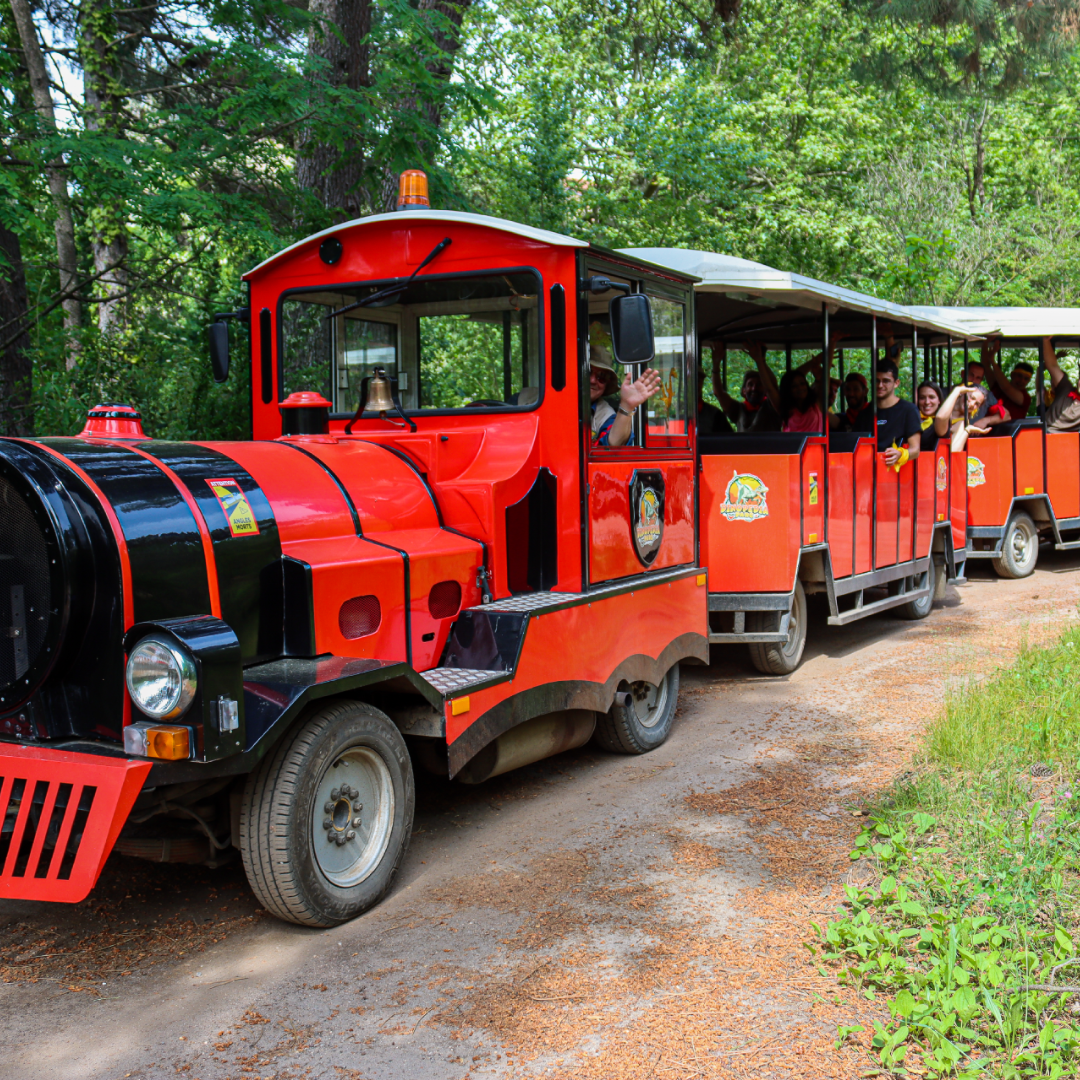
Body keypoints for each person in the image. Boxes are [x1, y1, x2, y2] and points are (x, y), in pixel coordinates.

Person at [589, 346, 661, 447]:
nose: (592, 380)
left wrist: (627, 406)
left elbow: (612, 445)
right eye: (587, 372)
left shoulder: (604, 413)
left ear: (607, 383)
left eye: (601, 376)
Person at [854, 359, 921, 465]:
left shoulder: (909, 410)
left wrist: (900, 454)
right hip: (867, 471)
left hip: (896, 474)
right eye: (876, 381)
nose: (880, 385)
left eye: (886, 381)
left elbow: (915, 450)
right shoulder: (864, 414)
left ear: (896, 383)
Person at [712, 352, 782, 432]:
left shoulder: (772, 407)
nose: (754, 388)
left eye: (759, 384)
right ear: (743, 390)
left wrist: (761, 361)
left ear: (765, 390)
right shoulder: (738, 409)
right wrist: (716, 364)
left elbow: (773, 387)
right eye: (750, 384)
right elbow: (719, 393)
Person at [982, 339, 1033, 421]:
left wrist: (992, 360)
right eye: (1019, 376)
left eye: (1026, 379)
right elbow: (985, 366)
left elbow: (1006, 388)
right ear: (1012, 375)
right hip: (990, 430)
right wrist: (986, 342)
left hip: (1011, 432)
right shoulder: (997, 387)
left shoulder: (1025, 398)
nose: (1022, 381)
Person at [1037, 337, 1080, 433]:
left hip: (1065, 443)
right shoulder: (1066, 388)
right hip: (1043, 435)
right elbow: (1052, 365)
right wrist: (1045, 340)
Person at [696, 365, 734, 435]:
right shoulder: (675, 413)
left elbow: (728, 441)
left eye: (698, 381)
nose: (694, 384)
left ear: (702, 383)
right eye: (690, 380)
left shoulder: (715, 414)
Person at [916, 381, 944, 451]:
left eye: (931, 397)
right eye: (922, 398)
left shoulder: (941, 422)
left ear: (939, 400)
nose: (927, 402)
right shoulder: (911, 419)